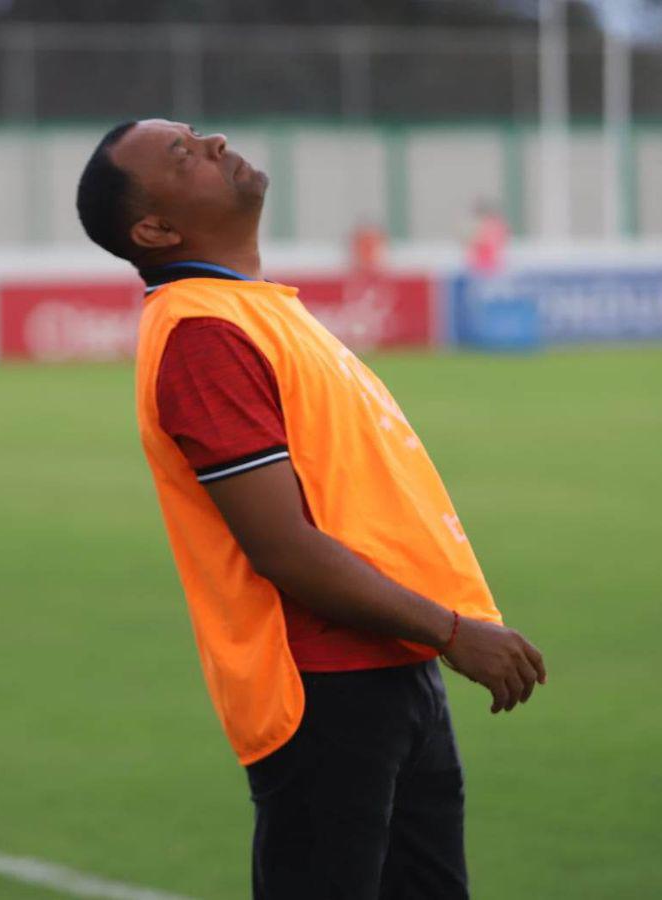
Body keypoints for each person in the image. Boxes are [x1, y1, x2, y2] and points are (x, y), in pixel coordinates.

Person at [76, 120, 547, 900]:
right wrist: (456, 632)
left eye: (198, 135)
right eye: (185, 155)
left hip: (394, 667)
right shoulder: (203, 331)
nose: (217, 142)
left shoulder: (254, 309)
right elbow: (283, 548)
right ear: (154, 227)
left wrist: (434, 637)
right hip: (324, 688)